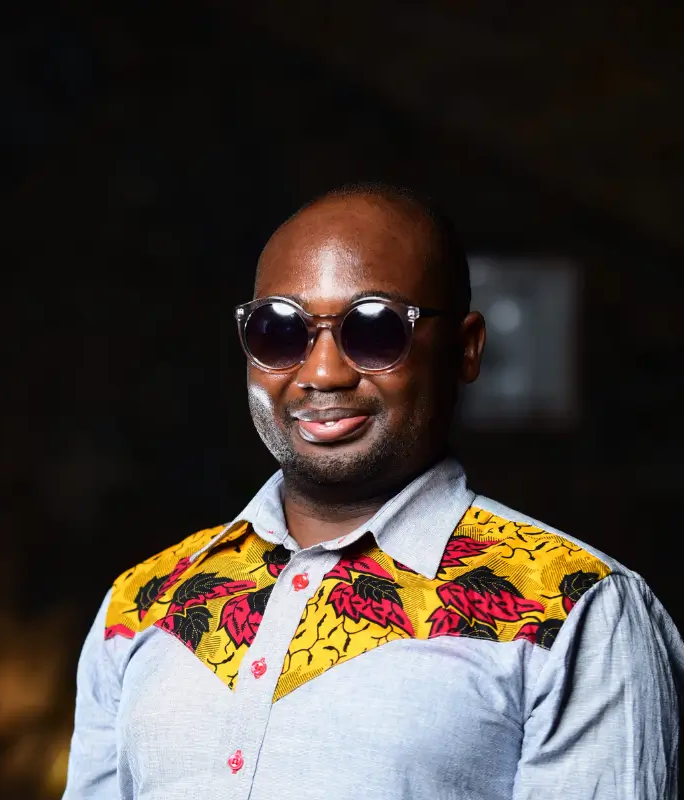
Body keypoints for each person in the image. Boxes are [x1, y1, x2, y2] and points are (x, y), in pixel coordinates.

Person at [63, 183, 684, 800]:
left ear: (465, 349)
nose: (322, 372)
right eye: (281, 332)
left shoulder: (576, 609)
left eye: (377, 330)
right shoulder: (141, 604)